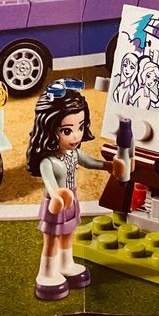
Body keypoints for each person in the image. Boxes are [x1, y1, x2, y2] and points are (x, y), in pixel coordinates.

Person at [26, 81, 126, 300]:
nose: (76, 136)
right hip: (56, 205)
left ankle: (66, 264)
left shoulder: (73, 154)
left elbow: (90, 162)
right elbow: (50, 185)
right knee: (52, 239)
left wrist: (108, 166)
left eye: (80, 127)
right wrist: (58, 196)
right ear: (49, 129)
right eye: (67, 131)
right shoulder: (48, 161)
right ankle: (47, 273)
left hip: (72, 202)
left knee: (68, 234)